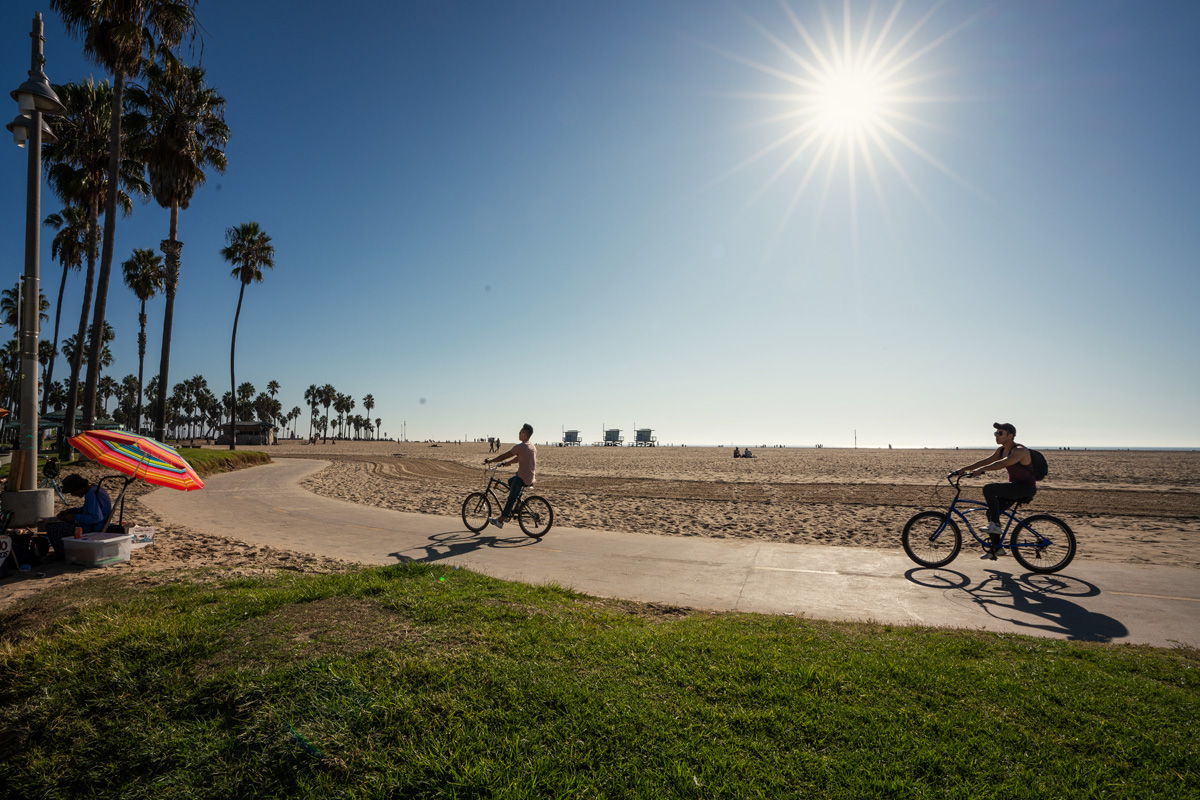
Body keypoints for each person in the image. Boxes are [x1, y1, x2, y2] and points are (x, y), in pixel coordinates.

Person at [952, 422, 1038, 559]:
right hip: (1014, 487)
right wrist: (964, 469)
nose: (996, 436)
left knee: (989, 489)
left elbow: (1004, 463)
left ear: (1010, 436)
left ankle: (995, 525)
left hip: (1024, 488)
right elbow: (986, 461)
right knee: (991, 511)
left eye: (1000, 433)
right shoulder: (1001, 450)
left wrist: (982, 470)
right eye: (995, 433)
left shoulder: (1020, 450)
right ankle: (997, 548)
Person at [45, 473, 113, 559]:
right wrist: (70, 511)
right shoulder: (94, 489)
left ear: (81, 489)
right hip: (95, 524)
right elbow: (87, 509)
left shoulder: (91, 495)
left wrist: (75, 517)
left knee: (53, 528)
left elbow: (96, 517)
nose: (73, 495)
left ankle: (63, 554)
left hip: (95, 527)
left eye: (73, 492)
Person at [483, 423, 536, 530]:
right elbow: (520, 458)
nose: (519, 434)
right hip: (530, 477)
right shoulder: (531, 446)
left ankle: (501, 520)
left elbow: (503, 456)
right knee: (510, 481)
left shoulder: (520, 447)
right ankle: (513, 506)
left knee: (510, 499)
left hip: (522, 477)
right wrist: (509, 463)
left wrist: (491, 460)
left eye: (520, 432)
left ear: (525, 435)